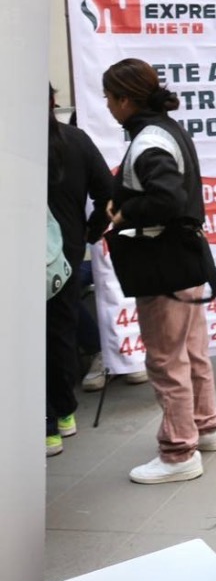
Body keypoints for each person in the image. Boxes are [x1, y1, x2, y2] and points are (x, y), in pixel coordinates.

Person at [102, 59, 216, 484]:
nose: (107, 106)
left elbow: (168, 199)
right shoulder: (167, 129)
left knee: (165, 358)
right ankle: (206, 427)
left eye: (109, 98)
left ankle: (178, 452)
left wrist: (122, 213)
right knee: (191, 351)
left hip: (164, 261)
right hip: (185, 258)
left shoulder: (148, 141)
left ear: (125, 99)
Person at [46, 85, 113, 457]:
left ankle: (46, 421)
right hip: (67, 253)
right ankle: (63, 413)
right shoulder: (76, 141)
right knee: (59, 331)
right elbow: (108, 193)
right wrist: (88, 232)